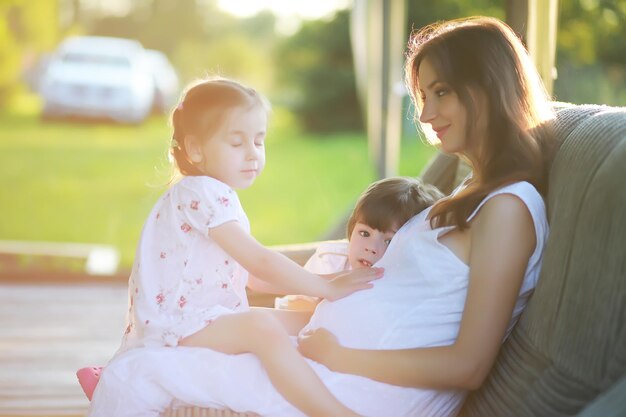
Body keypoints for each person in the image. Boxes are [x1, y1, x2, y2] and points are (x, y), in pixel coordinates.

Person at [88, 16, 555, 417]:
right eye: (423, 95)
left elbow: (466, 366)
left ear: (486, 88)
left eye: (441, 92)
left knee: (136, 374)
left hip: (353, 389)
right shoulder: (472, 193)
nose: (427, 112)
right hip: (324, 361)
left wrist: (342, 354)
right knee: (142, 369)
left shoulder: (508, 210)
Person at [86, 77, 384, 417]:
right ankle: (332, 411)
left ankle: (359, 370)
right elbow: (259, 261)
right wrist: (325, 286)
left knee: (304, 320)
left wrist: (315, 299)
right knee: (262, 330)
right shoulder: (201, 193)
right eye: (237, 142)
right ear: (196, 149)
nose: (252, 154)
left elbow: (250, 279)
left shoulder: (214, 195)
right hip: (179, 325)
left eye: (259, 141)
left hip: (207, 318)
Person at [276, 176, 443, 311]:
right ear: (352, 228)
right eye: (364, 233)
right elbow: (294, 302)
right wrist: (321, 302)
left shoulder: (406, 282)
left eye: (389, 241)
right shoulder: (331, 260)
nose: (371, 248)